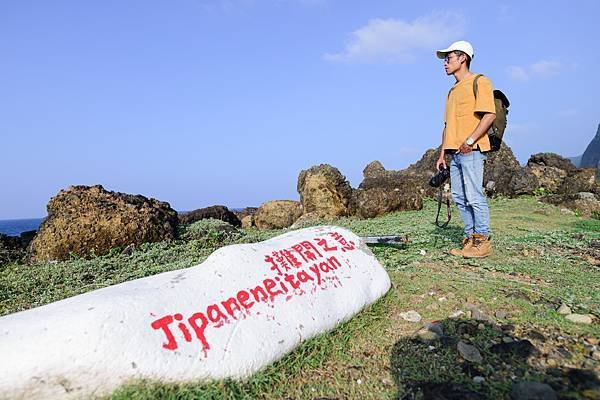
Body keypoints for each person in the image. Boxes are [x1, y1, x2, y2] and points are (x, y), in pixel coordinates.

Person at [435, 40, 496, 258]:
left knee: (474, 195)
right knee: (460, 197)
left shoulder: (480, 81)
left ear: (463, 58)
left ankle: (482, 241)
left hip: (471, 150)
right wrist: (442, 153)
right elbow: (447, 125)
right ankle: (471, 239)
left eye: (449, 58)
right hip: (454, 153)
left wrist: (469, 141)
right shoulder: (451, 91)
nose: (445, 63)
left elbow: (489, 115)